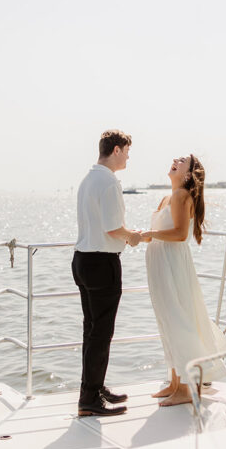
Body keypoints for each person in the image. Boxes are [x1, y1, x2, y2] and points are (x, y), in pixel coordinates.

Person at [141, 154, 226, 406]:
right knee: (167, 321)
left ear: (188, 174)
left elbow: (179, 234)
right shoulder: (168, 197)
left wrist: (149, 233)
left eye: (182, 161)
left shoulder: (181, 196)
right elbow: (161, 232)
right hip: (161, 263)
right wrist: (142, 236)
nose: (174, 161)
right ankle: (175, 382)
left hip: (171, 264)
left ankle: (187, 389)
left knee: (178, 321)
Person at [72, 129, 141, 417]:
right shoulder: (109, 182)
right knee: (101, 333)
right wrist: (133, 236)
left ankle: (93, 388)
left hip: (82, 260)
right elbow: (114, 228)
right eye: (127, 151)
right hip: (102, 264)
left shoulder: (89, 179)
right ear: (116, 150)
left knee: (92, 331)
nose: (128, 156)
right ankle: (89, 398)